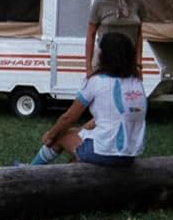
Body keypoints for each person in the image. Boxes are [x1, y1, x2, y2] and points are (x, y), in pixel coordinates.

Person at [18, 32, 146, 167]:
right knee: (75, 137)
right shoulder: (137, 83)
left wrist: (50, 135)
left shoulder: (97, 81)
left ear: (104, 56)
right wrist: (81, 130)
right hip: (129, 156)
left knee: (62, 135)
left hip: (105, 153)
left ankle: (30, 170)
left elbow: (68, 118)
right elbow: (113, 116)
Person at [85, 0, 146, 79]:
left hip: (129, 61)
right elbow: (91, 35)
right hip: (104, 60)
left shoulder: (138, 1)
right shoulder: (100, 2)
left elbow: (139, 34)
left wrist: (139, 63)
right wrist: (88, 68)